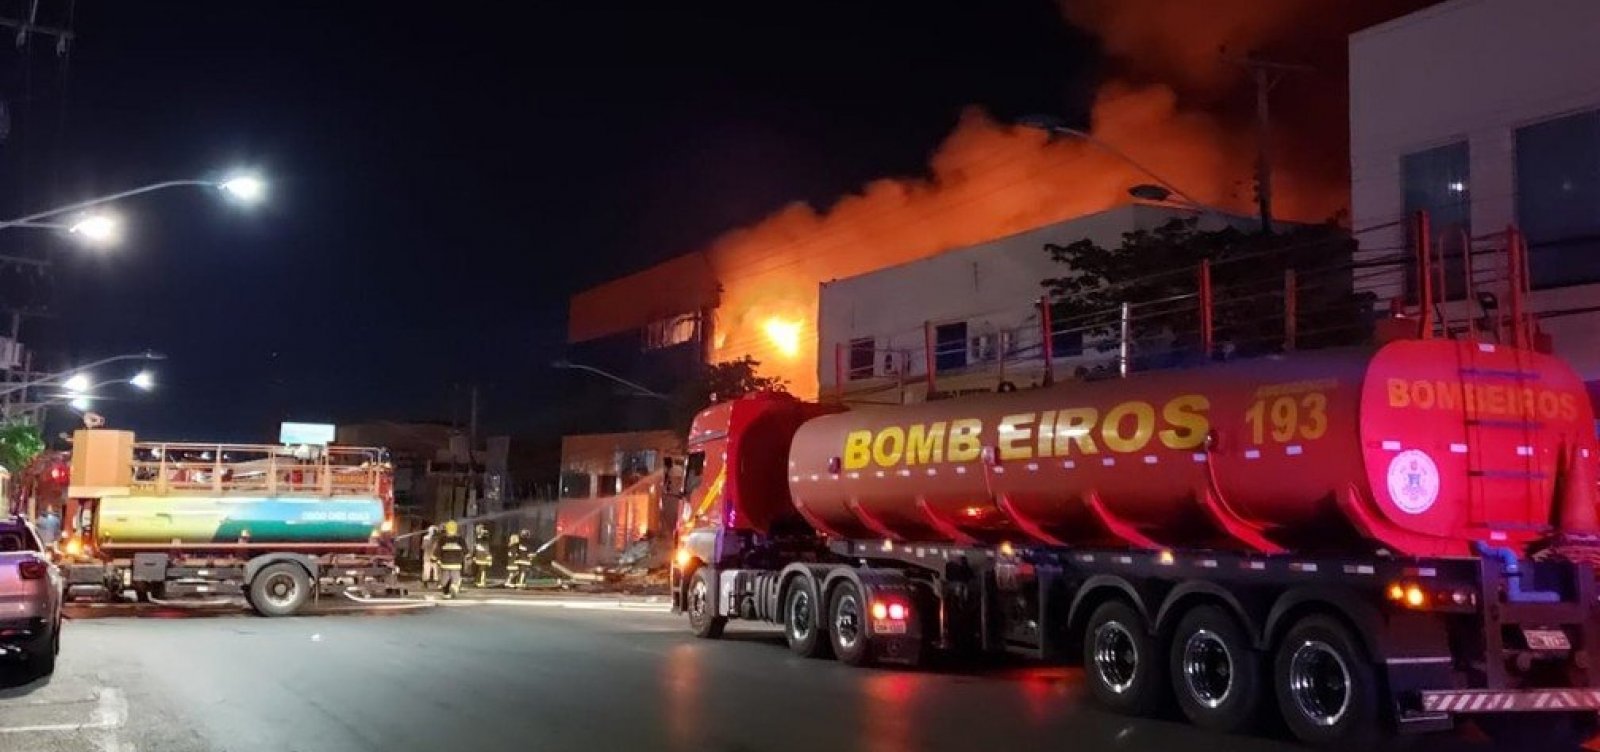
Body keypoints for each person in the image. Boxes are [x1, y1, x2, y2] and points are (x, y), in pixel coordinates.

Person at [434, 520, 466, 599]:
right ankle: (454, 586)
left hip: (445, 563)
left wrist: (434, 558)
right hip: (456, 563)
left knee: (445, 578)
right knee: (455, 577)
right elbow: (465, 550)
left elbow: (438, 550)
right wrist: (468, 556)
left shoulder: (442, 539)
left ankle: (446, 592)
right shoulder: (460, 539)